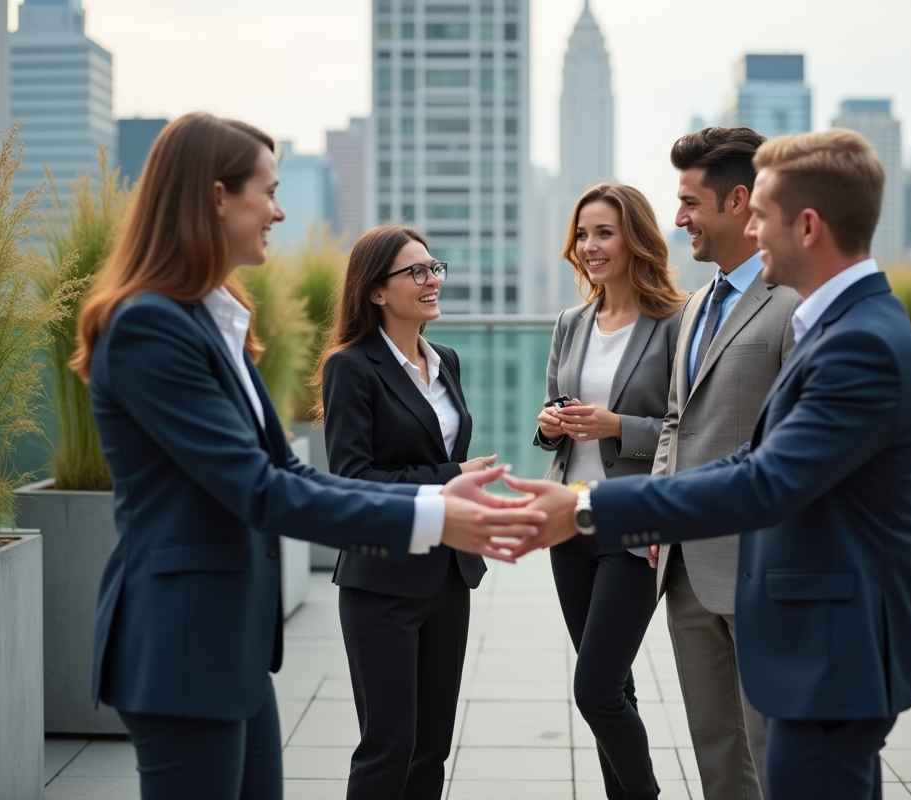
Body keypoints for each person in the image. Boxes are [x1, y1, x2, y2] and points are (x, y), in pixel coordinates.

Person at [70, 113, 543, 800]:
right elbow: (259, 488)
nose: (279, 209)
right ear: (214, 197)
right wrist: (434, 514)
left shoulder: (213, 316)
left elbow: (288, 471)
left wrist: (435, 503)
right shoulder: (150, 325)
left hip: (229, 641)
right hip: (181, 641)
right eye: (267, 190)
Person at [508, 129, 911, 800]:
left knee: (780, 773)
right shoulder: (721, 308)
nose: (754, 231)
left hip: (809, 620)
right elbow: (695, 429)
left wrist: (592, 507)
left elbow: (768, 476)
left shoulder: (856, 339)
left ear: (807, 224)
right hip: (702, 573)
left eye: (761, 214)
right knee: (722, 766)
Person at [646, 126, 799, 800]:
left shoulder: (793, 306)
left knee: (776, 751)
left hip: (762, 571)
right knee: (715, 752)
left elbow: (794, 447)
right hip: (684, 569)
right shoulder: (694, 306)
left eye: (689, 203)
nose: (678, 220)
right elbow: (678, 421)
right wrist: (653, 513)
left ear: (739, 202)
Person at [315, 225, 494, 800]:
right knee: (388, 745)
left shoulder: (447, 360)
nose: (431, 279)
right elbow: (352, 480)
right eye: (415, 272)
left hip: (449, 573)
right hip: (382, 579)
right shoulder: (351, 367)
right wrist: (451, 480)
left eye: (433, 267)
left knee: (431, 748)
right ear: (375, 291)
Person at [533, 183, 686, 800]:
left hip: (635, 525)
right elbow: (554, 416)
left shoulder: (676, 321)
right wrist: (549, 424)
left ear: (636, 239)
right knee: (614, 688)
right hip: (571, 522)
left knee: (594, 689)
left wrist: (618, 426)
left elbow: (686, 427)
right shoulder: (571, 323)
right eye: (582, 233)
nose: (589, 246)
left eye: (604, 232)